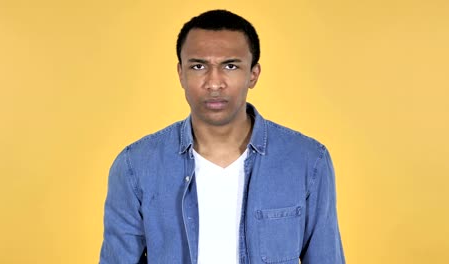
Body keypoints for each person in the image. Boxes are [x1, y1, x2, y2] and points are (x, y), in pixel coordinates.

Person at [99, 9, 345, 264]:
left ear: (253, 74)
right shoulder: (135, 166)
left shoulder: (307, 161)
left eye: (230, 66)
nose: (214, 83)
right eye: (198, 66)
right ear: (181, 73)